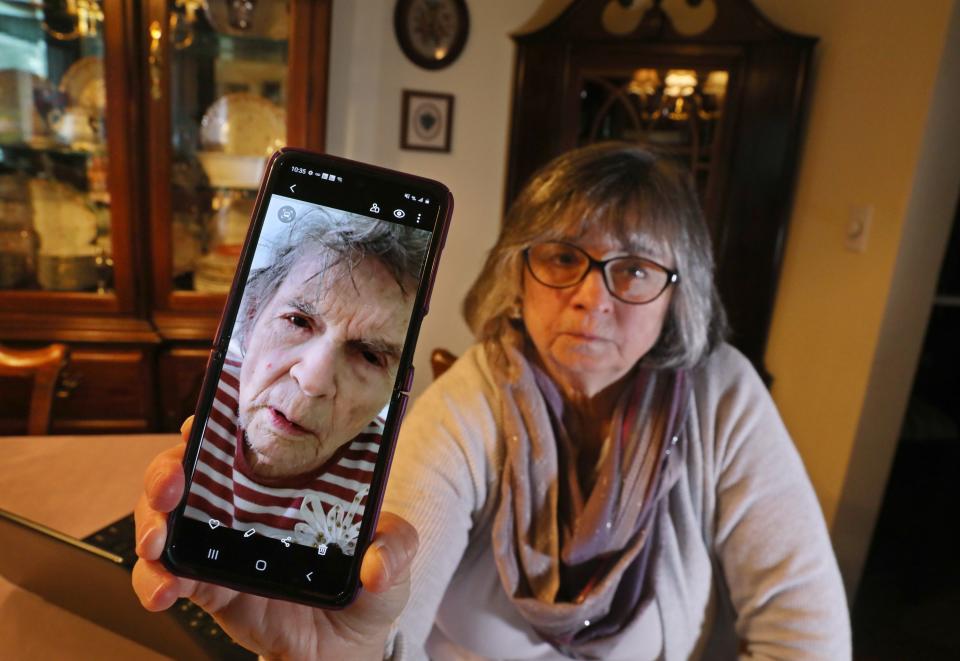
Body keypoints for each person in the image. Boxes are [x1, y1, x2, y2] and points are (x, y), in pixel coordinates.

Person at [134, 143, 851, 660]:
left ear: (677, 292)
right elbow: (389, 622)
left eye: (632, 267)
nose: (590, 297)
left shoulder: (722, 393)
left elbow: (807, 633)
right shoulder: (466, 402)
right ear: (520, 268)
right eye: (565, 256)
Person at [185, 209, 428, 555]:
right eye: (298, 321)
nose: (313, 382)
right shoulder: (199, 398)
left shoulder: (388, 483)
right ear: (253, 314)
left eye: (370, 355)